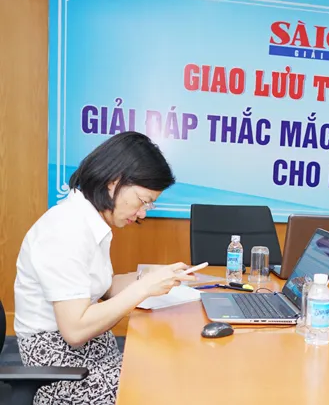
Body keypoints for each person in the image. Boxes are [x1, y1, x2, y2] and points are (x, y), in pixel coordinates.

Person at [13, 131, 195, 404]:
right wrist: (144, 288)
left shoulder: (89, 221)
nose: (143, 213)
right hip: (61, 370)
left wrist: (148, 276)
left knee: (172, 364)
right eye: (143, 200)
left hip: (92, 352)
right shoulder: (65, 230)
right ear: (114, 181)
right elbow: (75, 331)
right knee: (170, 386)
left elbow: (104, 287)